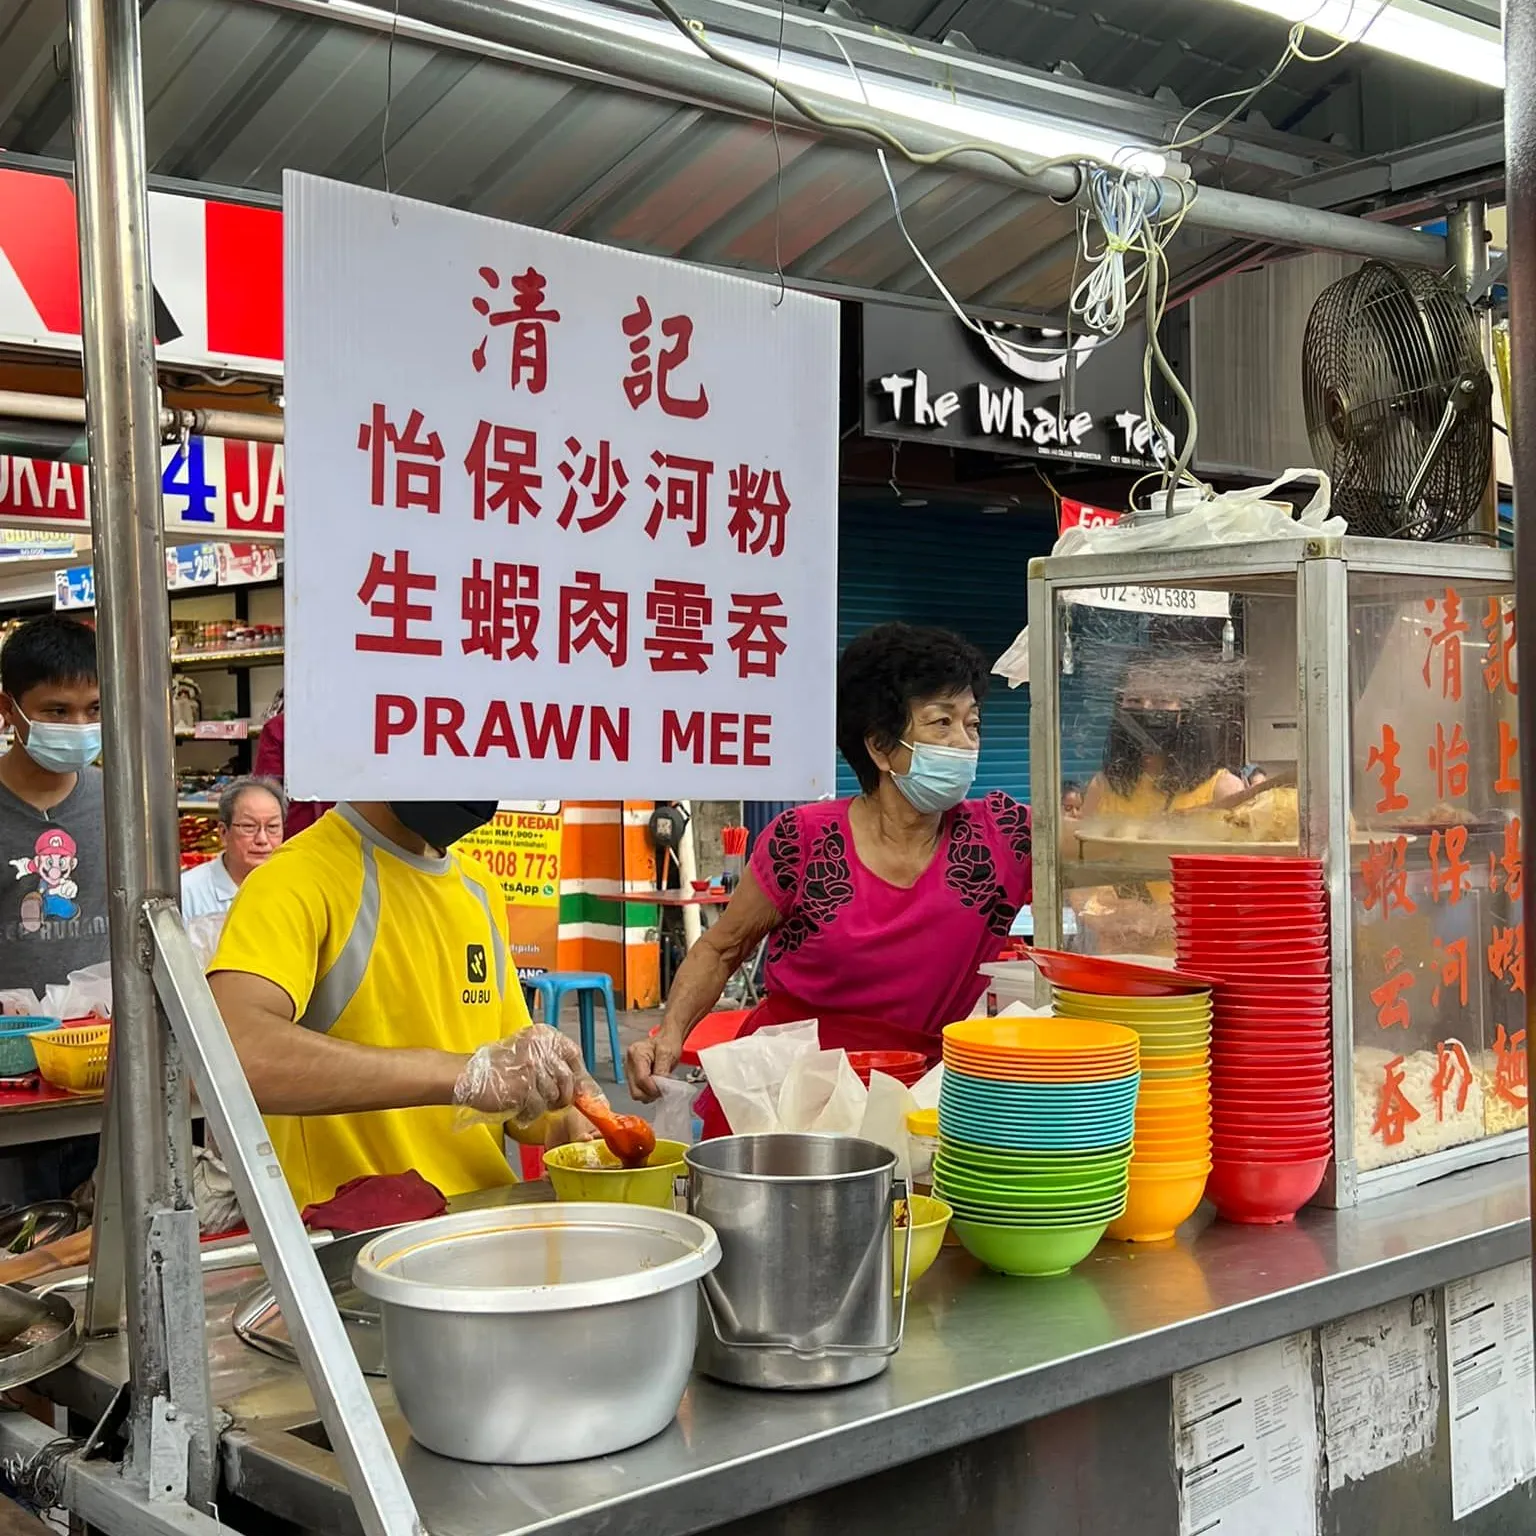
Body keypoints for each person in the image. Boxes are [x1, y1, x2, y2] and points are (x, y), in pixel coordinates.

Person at [626, 624, 1033, 1126]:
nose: (964, 744)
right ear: (881, 748)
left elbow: (1107, 846)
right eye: (941, 724)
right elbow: (721, 949)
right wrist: (668, 1037)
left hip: (918, 1103)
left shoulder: (1006, 835)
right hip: (785, 1098)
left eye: (972, 724)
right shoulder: (802, 839)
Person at [209, 800, 590, 1208]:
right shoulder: (294, 878)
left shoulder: (479, 888)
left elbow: (511, 1075)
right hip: (352, 1239)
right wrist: (464, 1075)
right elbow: (229, 1052)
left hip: (478, 1223)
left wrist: (562, 1116)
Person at [0, 616, 107, 1205]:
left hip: (99, 1064)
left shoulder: (119, 800)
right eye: (58, 711)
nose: (79, 726)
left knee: (98, 1238)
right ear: (9, 709)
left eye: (93, 708)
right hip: (10, 1079)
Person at [179, 777, 286, 919]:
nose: (262, 839)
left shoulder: (295, 890)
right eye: (249, 827)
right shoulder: (187, 893)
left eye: (272, 827)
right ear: (223, 833)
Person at [252, 694, 332, 839]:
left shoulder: (279, 727)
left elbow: (266, 793)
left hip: (298, 831)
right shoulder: (279, 728)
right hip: (343, 832)